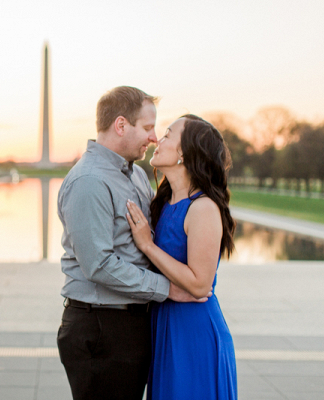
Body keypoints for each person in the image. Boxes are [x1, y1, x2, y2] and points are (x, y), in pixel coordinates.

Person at [56, 87, 207, 400]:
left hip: (130, 324)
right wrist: (169, 289)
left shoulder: (136, 176)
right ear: (121, 125)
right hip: (101, 327)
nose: (153, 138)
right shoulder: (89, 181)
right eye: (148, 128)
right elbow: (99, 264)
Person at [126, 114, 238, 399]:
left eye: (166, 135)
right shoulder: (163, 202)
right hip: (165, 326)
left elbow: (201, 285)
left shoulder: (203, 208)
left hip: (193, 332)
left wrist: (148, 246)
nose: (157, 140)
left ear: (183, 153)